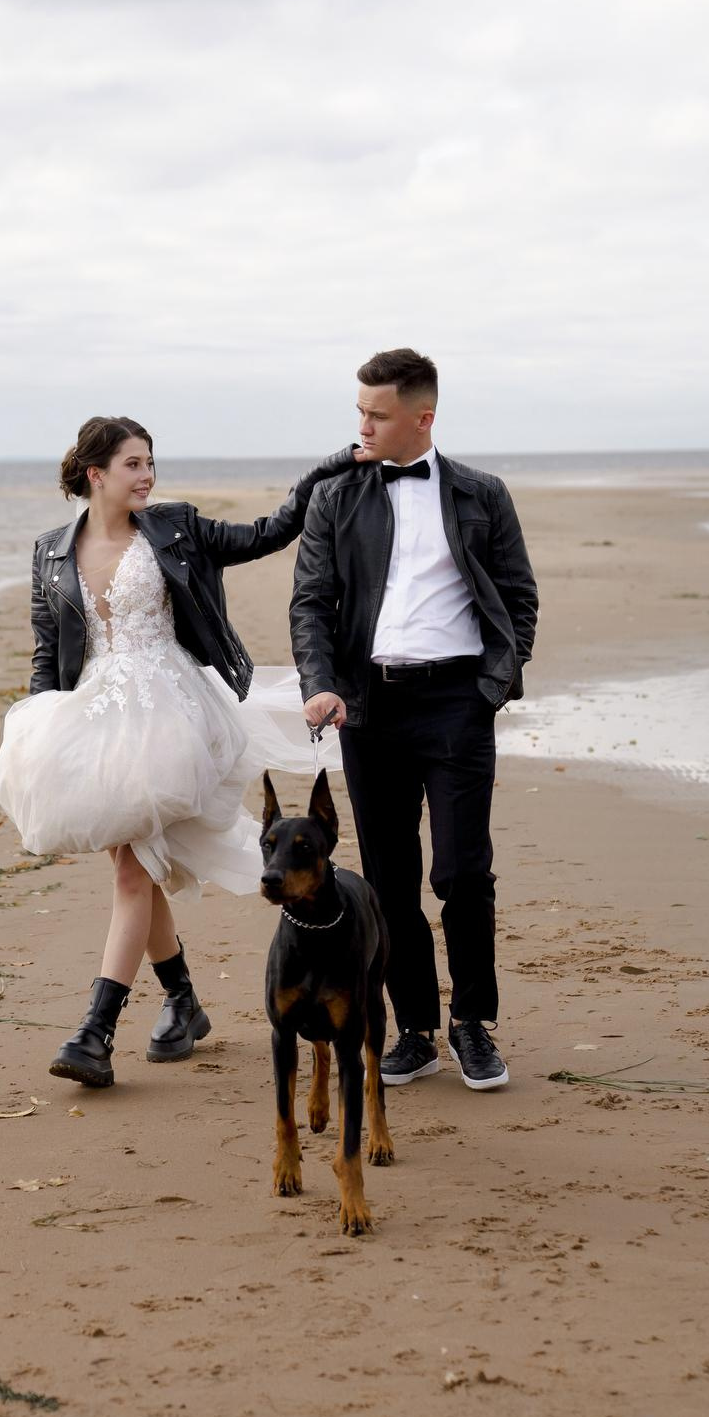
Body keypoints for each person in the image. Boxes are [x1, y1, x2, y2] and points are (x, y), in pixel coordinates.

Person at [0, 417, 364, 1087]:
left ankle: (95, 1033)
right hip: (99, 723)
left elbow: (266, 533)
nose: (147, 476)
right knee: (139, 866)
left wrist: (330, 466)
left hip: (174, 718)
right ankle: (183, 1001)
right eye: (133, 464)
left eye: (151, 462)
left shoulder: (175, 527)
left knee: (134, 870)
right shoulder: (51, 552)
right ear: (94, 473)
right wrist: (39, 731)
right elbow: (50, 652)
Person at [290, 349, 538, 1091]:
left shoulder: (482, 494)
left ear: (421, 418)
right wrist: (321, 683)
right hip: (369, 708)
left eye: (377, 414)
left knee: (463, 873)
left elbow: (519, 597)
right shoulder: (335, 496)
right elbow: (310, 603)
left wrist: (496, 682)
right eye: (358, 410)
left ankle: (472, 1024)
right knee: (390, 881)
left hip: (459, 703)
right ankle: (417, 1030)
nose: (361, 425)